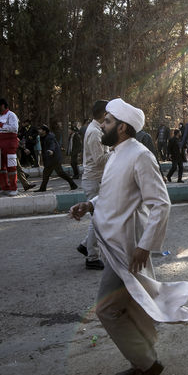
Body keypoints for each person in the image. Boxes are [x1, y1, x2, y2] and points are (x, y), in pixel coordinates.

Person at [69, 98, 188, 375]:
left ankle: (148, 363)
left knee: (106, 309)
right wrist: (89, 204)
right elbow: (113, 197)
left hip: (128, 251)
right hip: (114, 245)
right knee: (133, 308)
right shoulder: (116, 154)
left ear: (122, 127)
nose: (101, 125)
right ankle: (141, 360)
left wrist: (145, 246)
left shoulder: (140, 155)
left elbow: (161, 203)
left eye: (106, 121)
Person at [77, 100, 109, 271]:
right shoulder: (95, 133)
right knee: (98, 220)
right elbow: (99, 160)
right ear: (104, 114)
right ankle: (92, 257)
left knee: (98, 218)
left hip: (96, 180)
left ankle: (85, 245)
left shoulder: (97, 130)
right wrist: (119, 152)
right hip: (94, 180)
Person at [35, 124, 78, 192]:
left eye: (40, 129)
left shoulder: (49, 137)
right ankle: (72, 184)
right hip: (51, 158)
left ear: (44, 131)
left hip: (54, 158)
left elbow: (52, 145)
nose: (39, 131)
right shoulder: (43, 137)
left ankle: (73, 184)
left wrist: (51, 150)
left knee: (55, 173)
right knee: (51, 173)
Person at [0, 98, 20, 196]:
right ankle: (5, 187)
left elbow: (14, 128)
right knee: (1, 167)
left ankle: (14, 188)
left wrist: (2, 126)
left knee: (11, 167)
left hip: (10, 143)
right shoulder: (0, 116)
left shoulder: (11, 115)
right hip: (1, 143)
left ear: (3, 105)